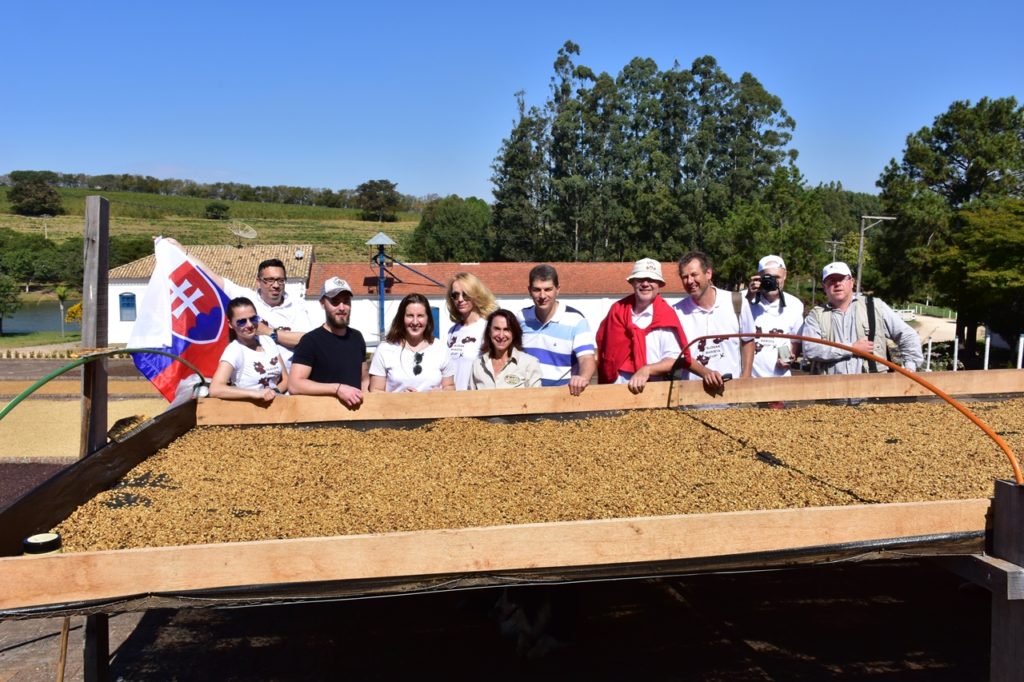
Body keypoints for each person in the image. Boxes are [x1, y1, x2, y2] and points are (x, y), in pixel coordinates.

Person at [157, 238, 314, 366]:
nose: (275, 285)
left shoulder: (296, 306)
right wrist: (182, 251)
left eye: (280, 280)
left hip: (289, 375)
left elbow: (306, 340)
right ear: (258, 282)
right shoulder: (246, 297)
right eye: (269, 280)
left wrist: (270, 333)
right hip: (251, 378)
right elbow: (210, 276)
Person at [596, 258, 725, 394]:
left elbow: (675, 358)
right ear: (632, 282)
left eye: (651, 279)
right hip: (616, 392)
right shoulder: (616, 312)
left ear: (659, 284)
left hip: (653, 392)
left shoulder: (666, 315)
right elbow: (604, 353)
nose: (645, 284)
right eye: (640, 279)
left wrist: (647, 369)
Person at [802, 262, 923, 374]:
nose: (837, 284)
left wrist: (910, 367)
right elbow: (810, 349)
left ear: (851, 282)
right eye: (831, 280)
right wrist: (852, 349)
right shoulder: (816, 315)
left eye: (841, 279)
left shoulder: (874, 306)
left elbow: (907, 335)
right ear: (824, 287)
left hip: (872, 390)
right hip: (829, 392)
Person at [517, 264, 596, 395]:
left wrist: (582, 378)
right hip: (527, 396)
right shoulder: (521, 317)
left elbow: (587, 358)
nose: (542, 295)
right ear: (529, 290)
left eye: (548, 289)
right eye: (537, 290)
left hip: (563, 395)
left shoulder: (576, 320)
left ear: (557, 290)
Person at [288, 277, 368, 407]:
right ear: (322, 304)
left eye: (346, 301)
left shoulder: (357, 337)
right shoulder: (310, 341)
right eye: (335, 302)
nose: (342, 307)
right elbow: (294, 385)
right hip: (323, 417)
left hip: (355, 416)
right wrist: (338, 389)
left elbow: (364, 380)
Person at [674, 251, 742, 382]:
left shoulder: (736, 302)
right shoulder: (676, 312)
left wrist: (745, 378)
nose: (690, 281)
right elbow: (678, 354)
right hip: (692, 395)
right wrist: (705, 372)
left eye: (694, 275)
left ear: (708, 274)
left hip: (733, 395)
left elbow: (747, 342)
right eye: (684, 277)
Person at [370, 293, 455, 392]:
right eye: (410, 316)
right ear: (402, 318)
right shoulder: (385, 349)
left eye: (420, 316)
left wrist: (441, 393)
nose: (415, 322)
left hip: (432, 407)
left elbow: (450, 386)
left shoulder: (441, 349)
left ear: (428, 318)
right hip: (396, 407)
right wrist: (399, 399)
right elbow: (375, 391)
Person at [209, 297, 289, 402]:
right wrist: (255, 394)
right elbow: (215, 389)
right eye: (242, 322)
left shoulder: (268, 341)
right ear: (230, 324)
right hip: (250, 412)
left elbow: (286, 379)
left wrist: (274, 393)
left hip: (278, 409)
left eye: (253, 318)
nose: (250, 325)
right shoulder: (234, 350)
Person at [739, 255, 805, 378]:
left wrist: (790, 357)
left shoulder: (795, 305)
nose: (772, 282)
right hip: (746, 380)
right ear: (758, 277)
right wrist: (749, 297)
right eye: (767, 278)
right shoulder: (741, 299)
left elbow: (795, 340)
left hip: (779, 380)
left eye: (777, 277)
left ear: (785, 276)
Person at [445, 273, 499, 390]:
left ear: (475, 295)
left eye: (465, 295)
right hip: (452, 399)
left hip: (476, 399)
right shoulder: (452, 331)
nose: (460, 299)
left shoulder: (487, 328)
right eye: (455, 295)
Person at [470, 310, 543, 389]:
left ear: (514, 333)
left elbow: (537, 399)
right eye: (497, 329)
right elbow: (470, 399)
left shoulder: (529, 363)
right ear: (489, 332)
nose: (501, 336)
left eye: (506, 329)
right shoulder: (478, 365)